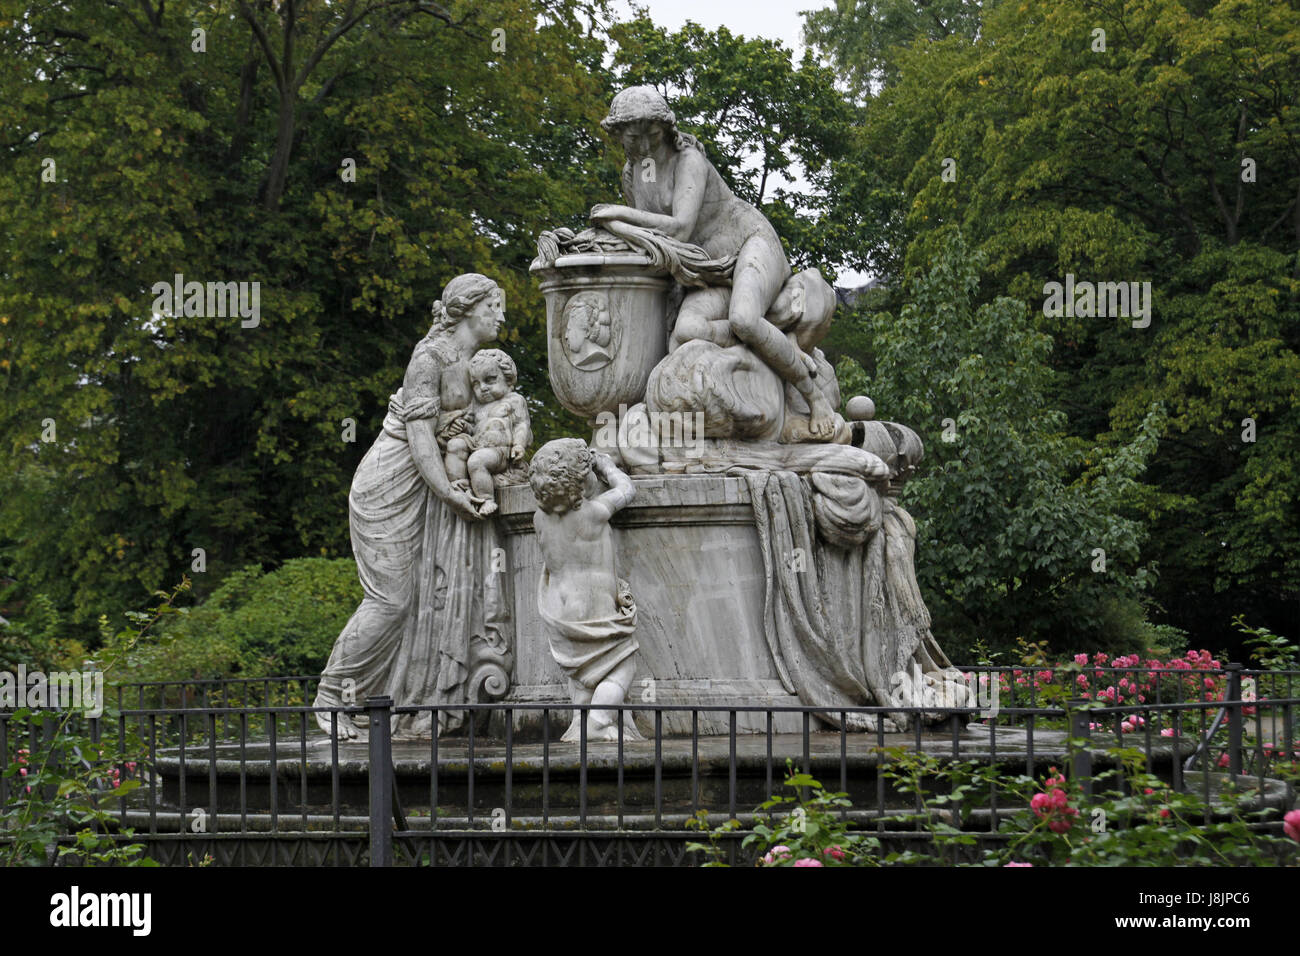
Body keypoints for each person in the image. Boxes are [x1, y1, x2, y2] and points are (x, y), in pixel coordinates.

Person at [313, 273, 510, 739]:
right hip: (390, 485)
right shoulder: (429, 358)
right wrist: (450, 492)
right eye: (493, 307)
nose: (501, 315)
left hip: (431, 487)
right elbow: (421, 441)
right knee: (392, 600)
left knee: (423, 599)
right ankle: (331, 697)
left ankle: (397, 703)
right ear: (466, 309)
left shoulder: (474, 362)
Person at [589, 85, 837, 439]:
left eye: (653, 135)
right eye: (633, 138)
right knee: (685, 334)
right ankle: (772, 336)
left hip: (749, 243)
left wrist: (617, 215)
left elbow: (679, 227)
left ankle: (814, 397)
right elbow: (654, 243)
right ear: (618, 136)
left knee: (743, 319)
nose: (644, 147)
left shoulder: (688, 161)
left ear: (667, 131)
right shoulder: (633, 176)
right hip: (709, 270)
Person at [529, 439, 641, 742]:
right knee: (620, 665)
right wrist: (607, 467)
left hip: (559, 609)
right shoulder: (594, 513)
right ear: (580, 481)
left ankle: (580, 723)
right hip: (593, 602)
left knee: (581, 671)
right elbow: (627, 491)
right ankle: (600, 721)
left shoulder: (539, 519)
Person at [444, 348, 531, 515]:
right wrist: (463, 427)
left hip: (500, 451)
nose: (482, 388)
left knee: (477, 461)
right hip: (477, 443)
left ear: (508, 378)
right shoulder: (476, 405)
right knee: (455, 445)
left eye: (490, 380)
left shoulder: (514, 400)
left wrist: (519, 445)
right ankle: (460, 487)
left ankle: (487, 499)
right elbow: (474, 429)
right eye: (476, 383)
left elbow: (521, 425)